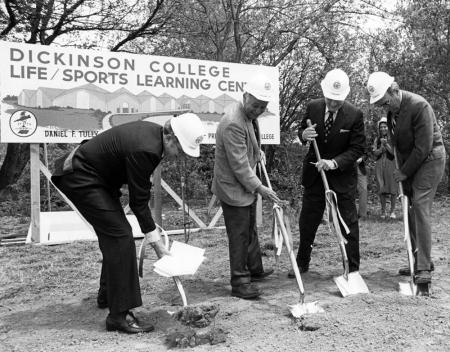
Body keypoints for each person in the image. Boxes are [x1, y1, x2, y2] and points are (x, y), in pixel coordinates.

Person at [51, 113, 205, 333]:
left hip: (96, 178)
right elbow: (139, 202)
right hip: (81, 177)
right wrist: (158, 246)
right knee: (121, 236)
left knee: (114, 234)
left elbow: (135, 185)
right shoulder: (147, 148)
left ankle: (107, 296)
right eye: (180, 150)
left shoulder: (153, 136)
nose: (180, 156)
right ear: (171, 138)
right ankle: (119, 316)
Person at [367, 71, 446, 286]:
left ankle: (423, 268)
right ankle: (417, 257)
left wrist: (404, 172)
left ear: (395, 89)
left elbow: (423, 147)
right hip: (412, 162)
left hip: (430, 159)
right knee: (409, 208)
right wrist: (398, 164)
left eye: (386, 101)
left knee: (420, 205)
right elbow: (399, 146)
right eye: (381, 104)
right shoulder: (393, 114)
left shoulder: (419, 106)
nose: (385, 107)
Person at [289, 68, 366, 278]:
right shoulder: (313, 106)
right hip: (315, 176)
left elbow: (358, 148)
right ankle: (302, 262)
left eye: (337, 100)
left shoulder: (355, 115)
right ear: (324, 93)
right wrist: (303, 135)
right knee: (308, 221)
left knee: (346, 221)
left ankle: (352, 267)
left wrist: (333, 163)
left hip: (341, 177)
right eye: (330, 99)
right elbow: (300, 131)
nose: (333, 104)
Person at [212, 73, 281, 299]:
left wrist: (257, 151)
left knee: (250, 228)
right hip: (233, 187)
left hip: (244, 185)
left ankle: (254, 270)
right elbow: (239, 165)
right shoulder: (233, 122)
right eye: (255, 105)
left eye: (262, 107)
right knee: (240, 234)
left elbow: (248, 144)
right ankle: (240, 282)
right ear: (245, 96)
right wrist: (260, 187)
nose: (257, 110)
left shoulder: (247, 116)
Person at [372, 117, 397, 219]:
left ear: (388, 127)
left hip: (391, 164)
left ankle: (392, 211)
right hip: (379, 164)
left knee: (393, 188)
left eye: (385, 126)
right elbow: (374, 153)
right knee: (381, 188)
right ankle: (383, 212)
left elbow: (394, 153)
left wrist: (386, 144)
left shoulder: (393, 138)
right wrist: (381, 148)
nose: (383, 128)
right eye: (381, 127)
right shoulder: (376, 139)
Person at [356, 151, 368, 219]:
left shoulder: (361, 140)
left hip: (360, 168)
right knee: (348, 191)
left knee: (364, 190)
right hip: (346, 168)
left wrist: (361, 158)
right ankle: (349, 213)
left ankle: (362, 214)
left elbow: (365, 153)